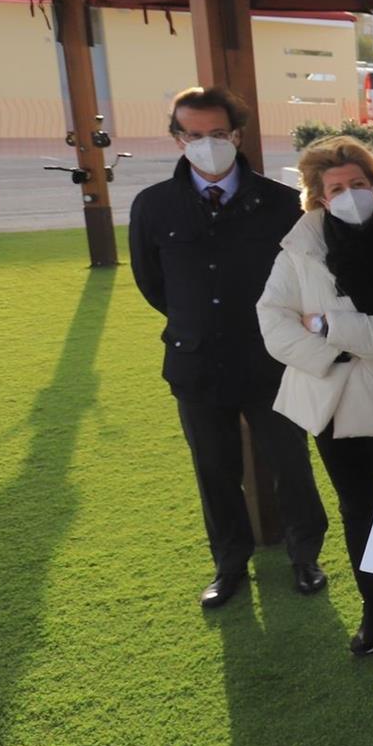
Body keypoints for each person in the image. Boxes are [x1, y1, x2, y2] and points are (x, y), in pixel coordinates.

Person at [128, 85, 329, 610]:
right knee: (214, 470)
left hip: (271, 361)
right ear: (177, 139)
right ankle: (229, 563)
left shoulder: (282, 204)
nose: (206, 144)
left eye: (217, 134)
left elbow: (306, 279)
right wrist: (195, 321)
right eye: (193, 135)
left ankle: (304, 555)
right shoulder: (153, 205)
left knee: (290, 463)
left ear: (236, 135)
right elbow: (153, 284)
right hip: (196, 362)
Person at [256, 136, 373, 659]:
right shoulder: (300, 245)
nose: (349, 194)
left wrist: (326, 324)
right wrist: (343, 347)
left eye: (359, 184)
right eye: (336, 187)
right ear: (318, 195)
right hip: (328, 405)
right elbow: (273, 321)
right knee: (355, 509)